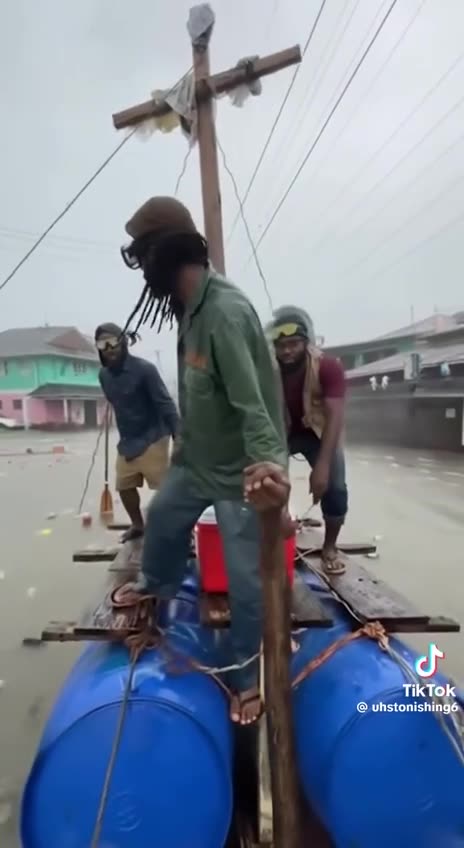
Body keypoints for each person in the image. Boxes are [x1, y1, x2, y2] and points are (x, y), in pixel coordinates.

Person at [112, 197, 290, 725]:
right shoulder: (189, 309)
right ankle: (156, 591)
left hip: (241, 474)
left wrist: (268, 475)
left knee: (244, 581)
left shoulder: (226, 314)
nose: (143, 273)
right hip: (198, 461)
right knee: (163, 522)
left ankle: (242, 675)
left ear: (164, 257)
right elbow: (198, 397)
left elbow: (254, 408)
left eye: (145, 260)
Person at [269, 306, 348, 575]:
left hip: (318, 432)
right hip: (282, 432)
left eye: (293, 344)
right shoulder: (264, 368)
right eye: (281, 346)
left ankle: (329, 546)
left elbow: (335, 415)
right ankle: (275, 538)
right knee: (269, 486)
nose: (287, 351)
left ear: (306, 342)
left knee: (335, 487)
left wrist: (322, 468)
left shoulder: (327, 366)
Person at [96, 322, 179, 542]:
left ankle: (181, 530)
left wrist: (178, 435)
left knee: (166, 489)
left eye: (113, 342)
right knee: (124, 486)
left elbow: (165, 403)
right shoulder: (103, 376)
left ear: (123, 342)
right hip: (128, 439)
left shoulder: (144, 369)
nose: (109, 348)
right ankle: (138, 525)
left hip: (154, 435)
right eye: (103, 344)